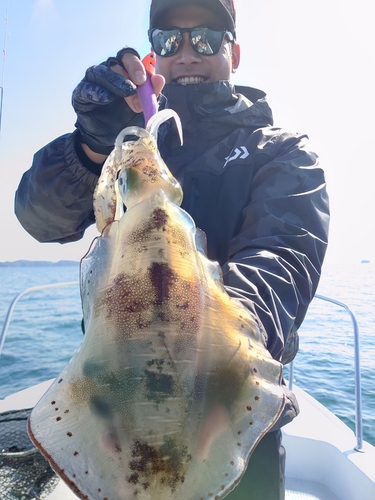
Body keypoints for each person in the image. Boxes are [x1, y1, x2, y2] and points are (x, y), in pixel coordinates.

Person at [14, 0, 330, 498]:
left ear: (235, 52)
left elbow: (285, 258)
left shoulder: (282, 151)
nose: (185, 52)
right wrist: (91, 148)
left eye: (205, 38)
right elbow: (38, 218)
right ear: (152, 56)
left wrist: (193, 340)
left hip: (234, 411)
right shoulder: (122, 146)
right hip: (117, 408)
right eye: (168, 40)